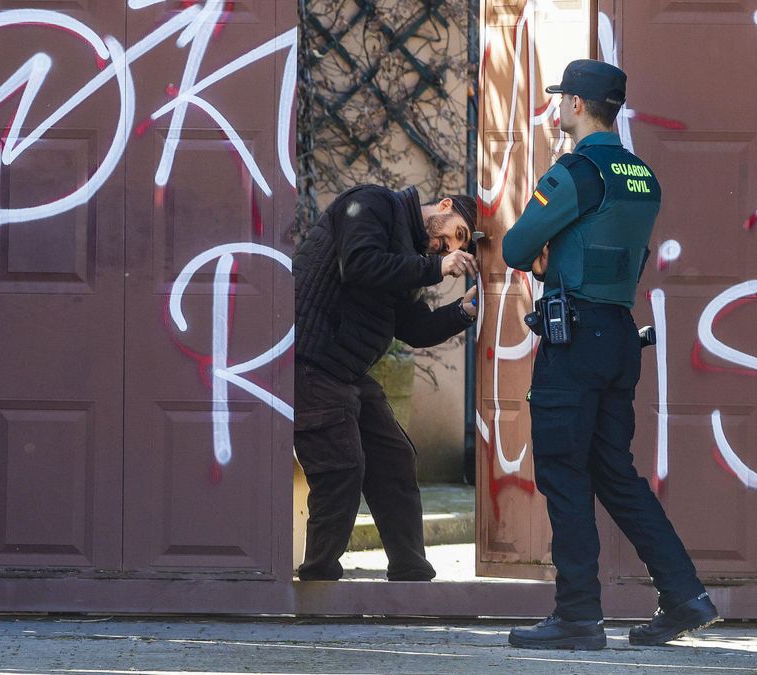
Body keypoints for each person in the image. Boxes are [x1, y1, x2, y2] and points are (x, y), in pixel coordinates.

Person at [501, 59, 718, 649]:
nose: (556, 109)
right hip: (619, 334)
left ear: (573, 104)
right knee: (616, 475)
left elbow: (517, 246)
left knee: (564, 476)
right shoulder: (642, 173)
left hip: (574, 340)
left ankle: (577, 617)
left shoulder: (573, 171)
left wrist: (546, 246)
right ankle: (684, 595)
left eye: (559, 100)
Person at [292, 184, 479, 582]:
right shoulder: (374, 203)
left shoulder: (412, 254)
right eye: (456, 234)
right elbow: (359, 265)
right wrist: (435, 269)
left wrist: (461, 312)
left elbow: (411, 326)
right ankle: (318, 578)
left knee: (394, 457)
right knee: (342, 466)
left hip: (346, 370)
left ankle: (411, 571)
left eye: (455, 248)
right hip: (309, 360)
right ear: (444, 206)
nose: (448, 248)